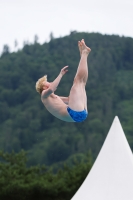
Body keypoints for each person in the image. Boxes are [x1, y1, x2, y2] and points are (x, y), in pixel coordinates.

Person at [35, 39, 91, 122]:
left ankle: (83, 55)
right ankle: (84, 53)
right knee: (77, 81)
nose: (50, 83)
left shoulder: (55, 98)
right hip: (74, 113)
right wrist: (60, 74)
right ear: (43, 87)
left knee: (82, 83)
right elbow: (51, 89)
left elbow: (70, 100)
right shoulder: (44, 95)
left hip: (80, 113)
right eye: (48, 82)